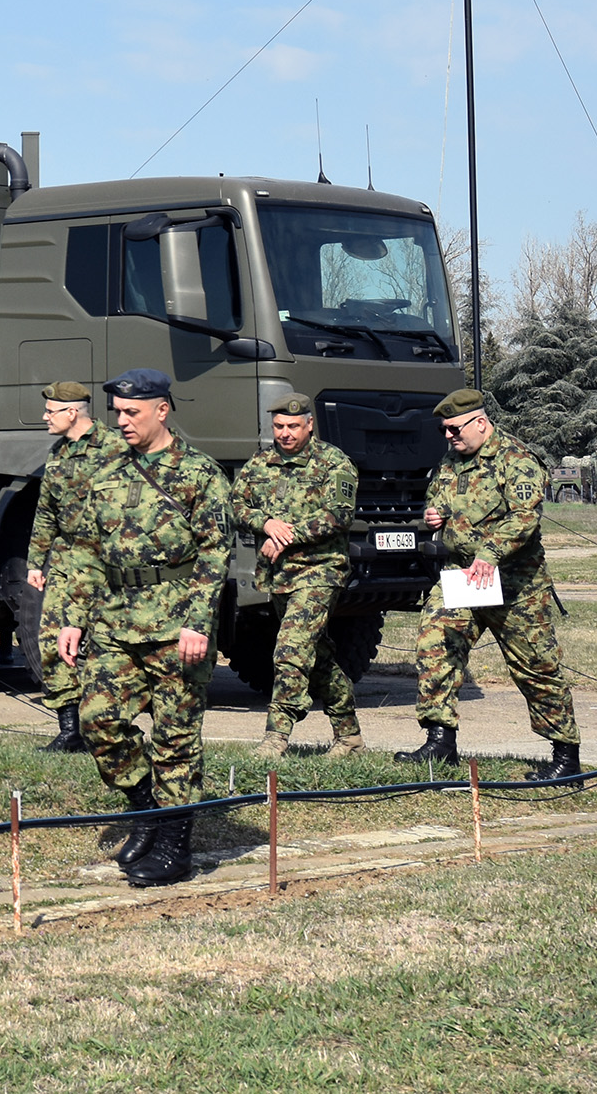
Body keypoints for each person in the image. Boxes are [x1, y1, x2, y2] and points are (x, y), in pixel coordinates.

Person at [54, 368, 231, 889]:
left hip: (178, 626)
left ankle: (175, 846)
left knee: (176, 739)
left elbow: (215, 555)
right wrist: (72, 616)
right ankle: (145, 806)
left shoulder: (199, 473)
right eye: (117, 412)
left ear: (162, 410)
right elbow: (85, 552)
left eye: (132, 411)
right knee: (97, 722)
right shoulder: (107, 473)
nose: (122, 420)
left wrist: (198, 622)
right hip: (114, 623)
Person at [398, 389, 581, 780]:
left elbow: (525, 519)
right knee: (436, 645)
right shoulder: (451, 461)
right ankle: (440, 742)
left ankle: (565, 757)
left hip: (514, 583)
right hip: (463, 576)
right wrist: (432, 517)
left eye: (454, 429)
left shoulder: (516, 459)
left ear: (481, 423)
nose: (448, 437)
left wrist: (490, 552)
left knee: (536, 667)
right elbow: (440, 504)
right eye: (444, 430)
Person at [232, 394, 364, 757]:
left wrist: (286, 535)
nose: (285, 433)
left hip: (320, 572)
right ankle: (349, 736)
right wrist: (266, 523)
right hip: (279, 576)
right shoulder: (261, 462)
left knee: (290, 649)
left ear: (309, 425)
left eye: (293, 426)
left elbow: (339, 515)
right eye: (278, 427)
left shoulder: (333, 463)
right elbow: (236, 504)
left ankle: (276, 737)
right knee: (315, 655)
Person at [28, 380, 124, 754]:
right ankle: (70, 730)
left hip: (104, 565)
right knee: (52, 642)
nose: (44, 417)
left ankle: (107, 725)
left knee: (104, 645)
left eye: (50, 412)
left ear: (72, 413)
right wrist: (37, 561)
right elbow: (46, 512)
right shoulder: (58, 452)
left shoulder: (116, 448)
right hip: (67, 562)